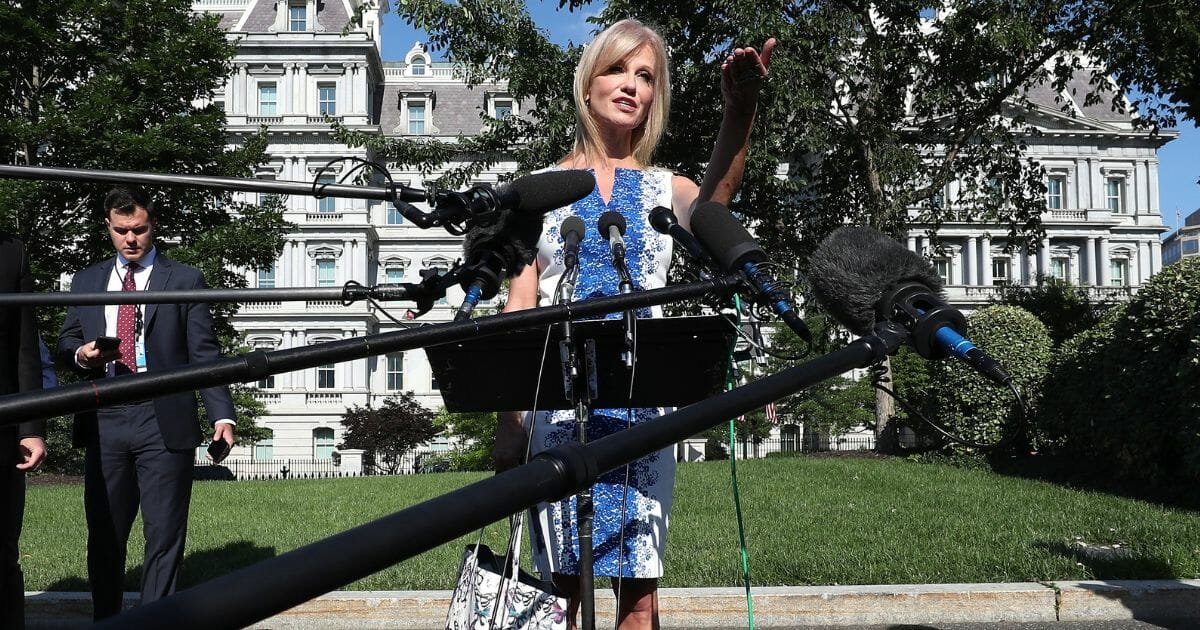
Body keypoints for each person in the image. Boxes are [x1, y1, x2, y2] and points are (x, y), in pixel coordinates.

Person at [493, 19, 775, 630]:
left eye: (645, 76)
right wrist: (510, 426)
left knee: (639, 597)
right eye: (617, 69)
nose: (630, 85)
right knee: (562, 591)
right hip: (559, 410)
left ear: (655, 98)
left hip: (641, 416)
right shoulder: (538, 189)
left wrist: (739, 113)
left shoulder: (663, 188)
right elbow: (518, 312)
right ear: (587, 82)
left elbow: (715, 208)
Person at [58, 185, 236, 620]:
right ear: (109, 228)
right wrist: (83, 355)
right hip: (106, 414)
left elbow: (204, 354)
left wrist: (222, 415)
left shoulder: (185, 279)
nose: (131, 239)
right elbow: (65, 342)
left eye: (138, 229)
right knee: (105, 533)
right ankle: (108, 622)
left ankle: (154, 622)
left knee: (164, 533)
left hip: (164, 416)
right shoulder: (86, 280)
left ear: (152, 224)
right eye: (121, 231)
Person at [1, 235, 48, 630]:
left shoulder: (12, 251)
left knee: (2, 554)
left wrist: (32, 428)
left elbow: (24, 349)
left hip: (1, 429)